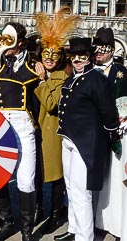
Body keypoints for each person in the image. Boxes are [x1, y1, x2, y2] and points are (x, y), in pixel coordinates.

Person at [54, 37, 120, 241]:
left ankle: (85, 236)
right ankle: (74, 228)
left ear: (90, 56)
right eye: (74, 56)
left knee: (82, 193)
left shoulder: (97, 79)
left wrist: (111, 134)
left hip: (86, 143)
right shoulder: (71, 77)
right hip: (68, 139)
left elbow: (108, 112)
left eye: (82, 56)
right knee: (71, 188)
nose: (77, 60)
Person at [0, 22, 40, 241]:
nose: (7, 48)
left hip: (24, 126)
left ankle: (27, 230)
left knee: (26, 179)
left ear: (21, 43)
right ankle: (7, 222)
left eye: (11, 43)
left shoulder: (34, 65)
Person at [33, 7, 80, 234]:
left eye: (54, 55)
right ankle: (39, 210)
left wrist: (43, 81)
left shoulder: (63, 77)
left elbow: (52, 103)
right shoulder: (36, 72)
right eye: (45, 54)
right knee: (37, 173)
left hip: (52, 133)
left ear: (60, 57)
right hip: (37, 130)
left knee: (55, 176)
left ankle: (54, 214)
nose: (49, 59)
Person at [94, 27, 127, 240]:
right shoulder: (90, 71)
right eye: (96, 50)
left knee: (116, 178)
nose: (99, 53)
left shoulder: (121, 71)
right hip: (94, 132)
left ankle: (119, 224)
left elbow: (123, 102)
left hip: (118, 130)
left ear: (112, 50)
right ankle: (100, 221)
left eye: (103, 50)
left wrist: (121, 118)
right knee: (100, 179)